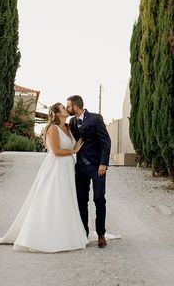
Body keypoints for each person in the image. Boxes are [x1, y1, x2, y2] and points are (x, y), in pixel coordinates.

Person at [0, 103, 88, 252]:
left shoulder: (68, 127)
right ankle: (45, 236)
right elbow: (55, 151)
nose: (65, 109)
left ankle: (66, 232)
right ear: (55, 113)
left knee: (67, 199)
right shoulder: (52, 128)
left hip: (68, 168)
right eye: (62, 108)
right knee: (53, 198)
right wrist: (73, 151)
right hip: (56, 167)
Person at [67, 95, 111, 248]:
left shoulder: (96, 119)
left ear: (76, 107)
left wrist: (103, 164)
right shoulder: (72, 122)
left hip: (97, 167)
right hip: (80, 168)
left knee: (99, 199)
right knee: (81, 200)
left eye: (69, 106)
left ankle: (101, 234)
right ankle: (83, 233)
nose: (67, 109)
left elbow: (106, 142)